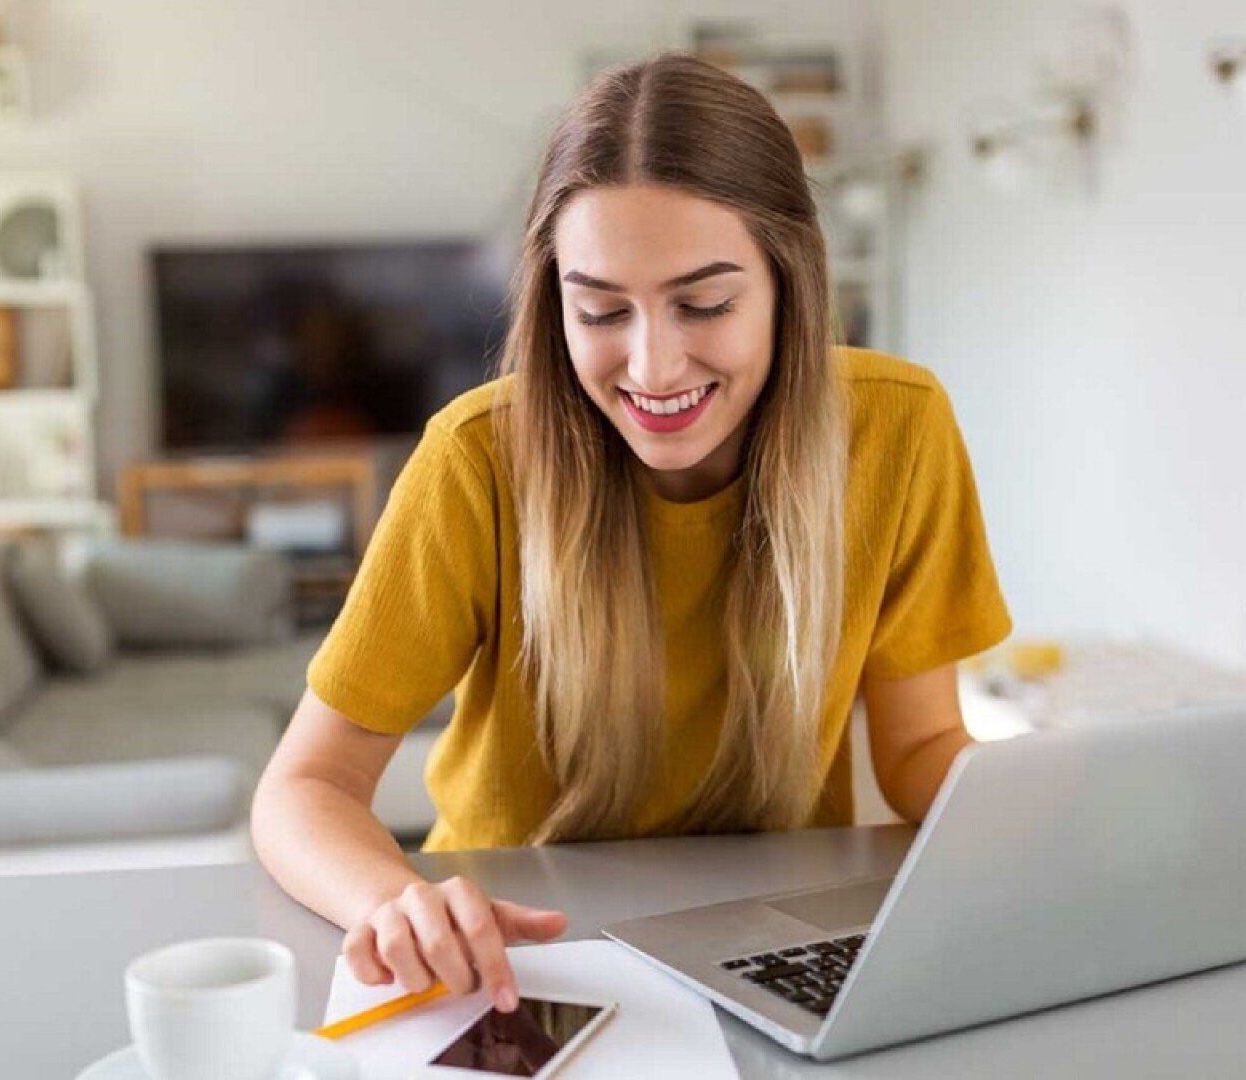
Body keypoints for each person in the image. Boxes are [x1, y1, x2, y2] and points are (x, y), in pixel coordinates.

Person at [251, 52, 1011, 1017]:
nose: (652, 365)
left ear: (790, 283)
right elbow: (302, 788)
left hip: (766, 942)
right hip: (514, 963)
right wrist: (397, 901)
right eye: (601, 309)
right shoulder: (476, 460)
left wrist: (1036, 813)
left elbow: (919, 746)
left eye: (705, 303)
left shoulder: (900, 429)